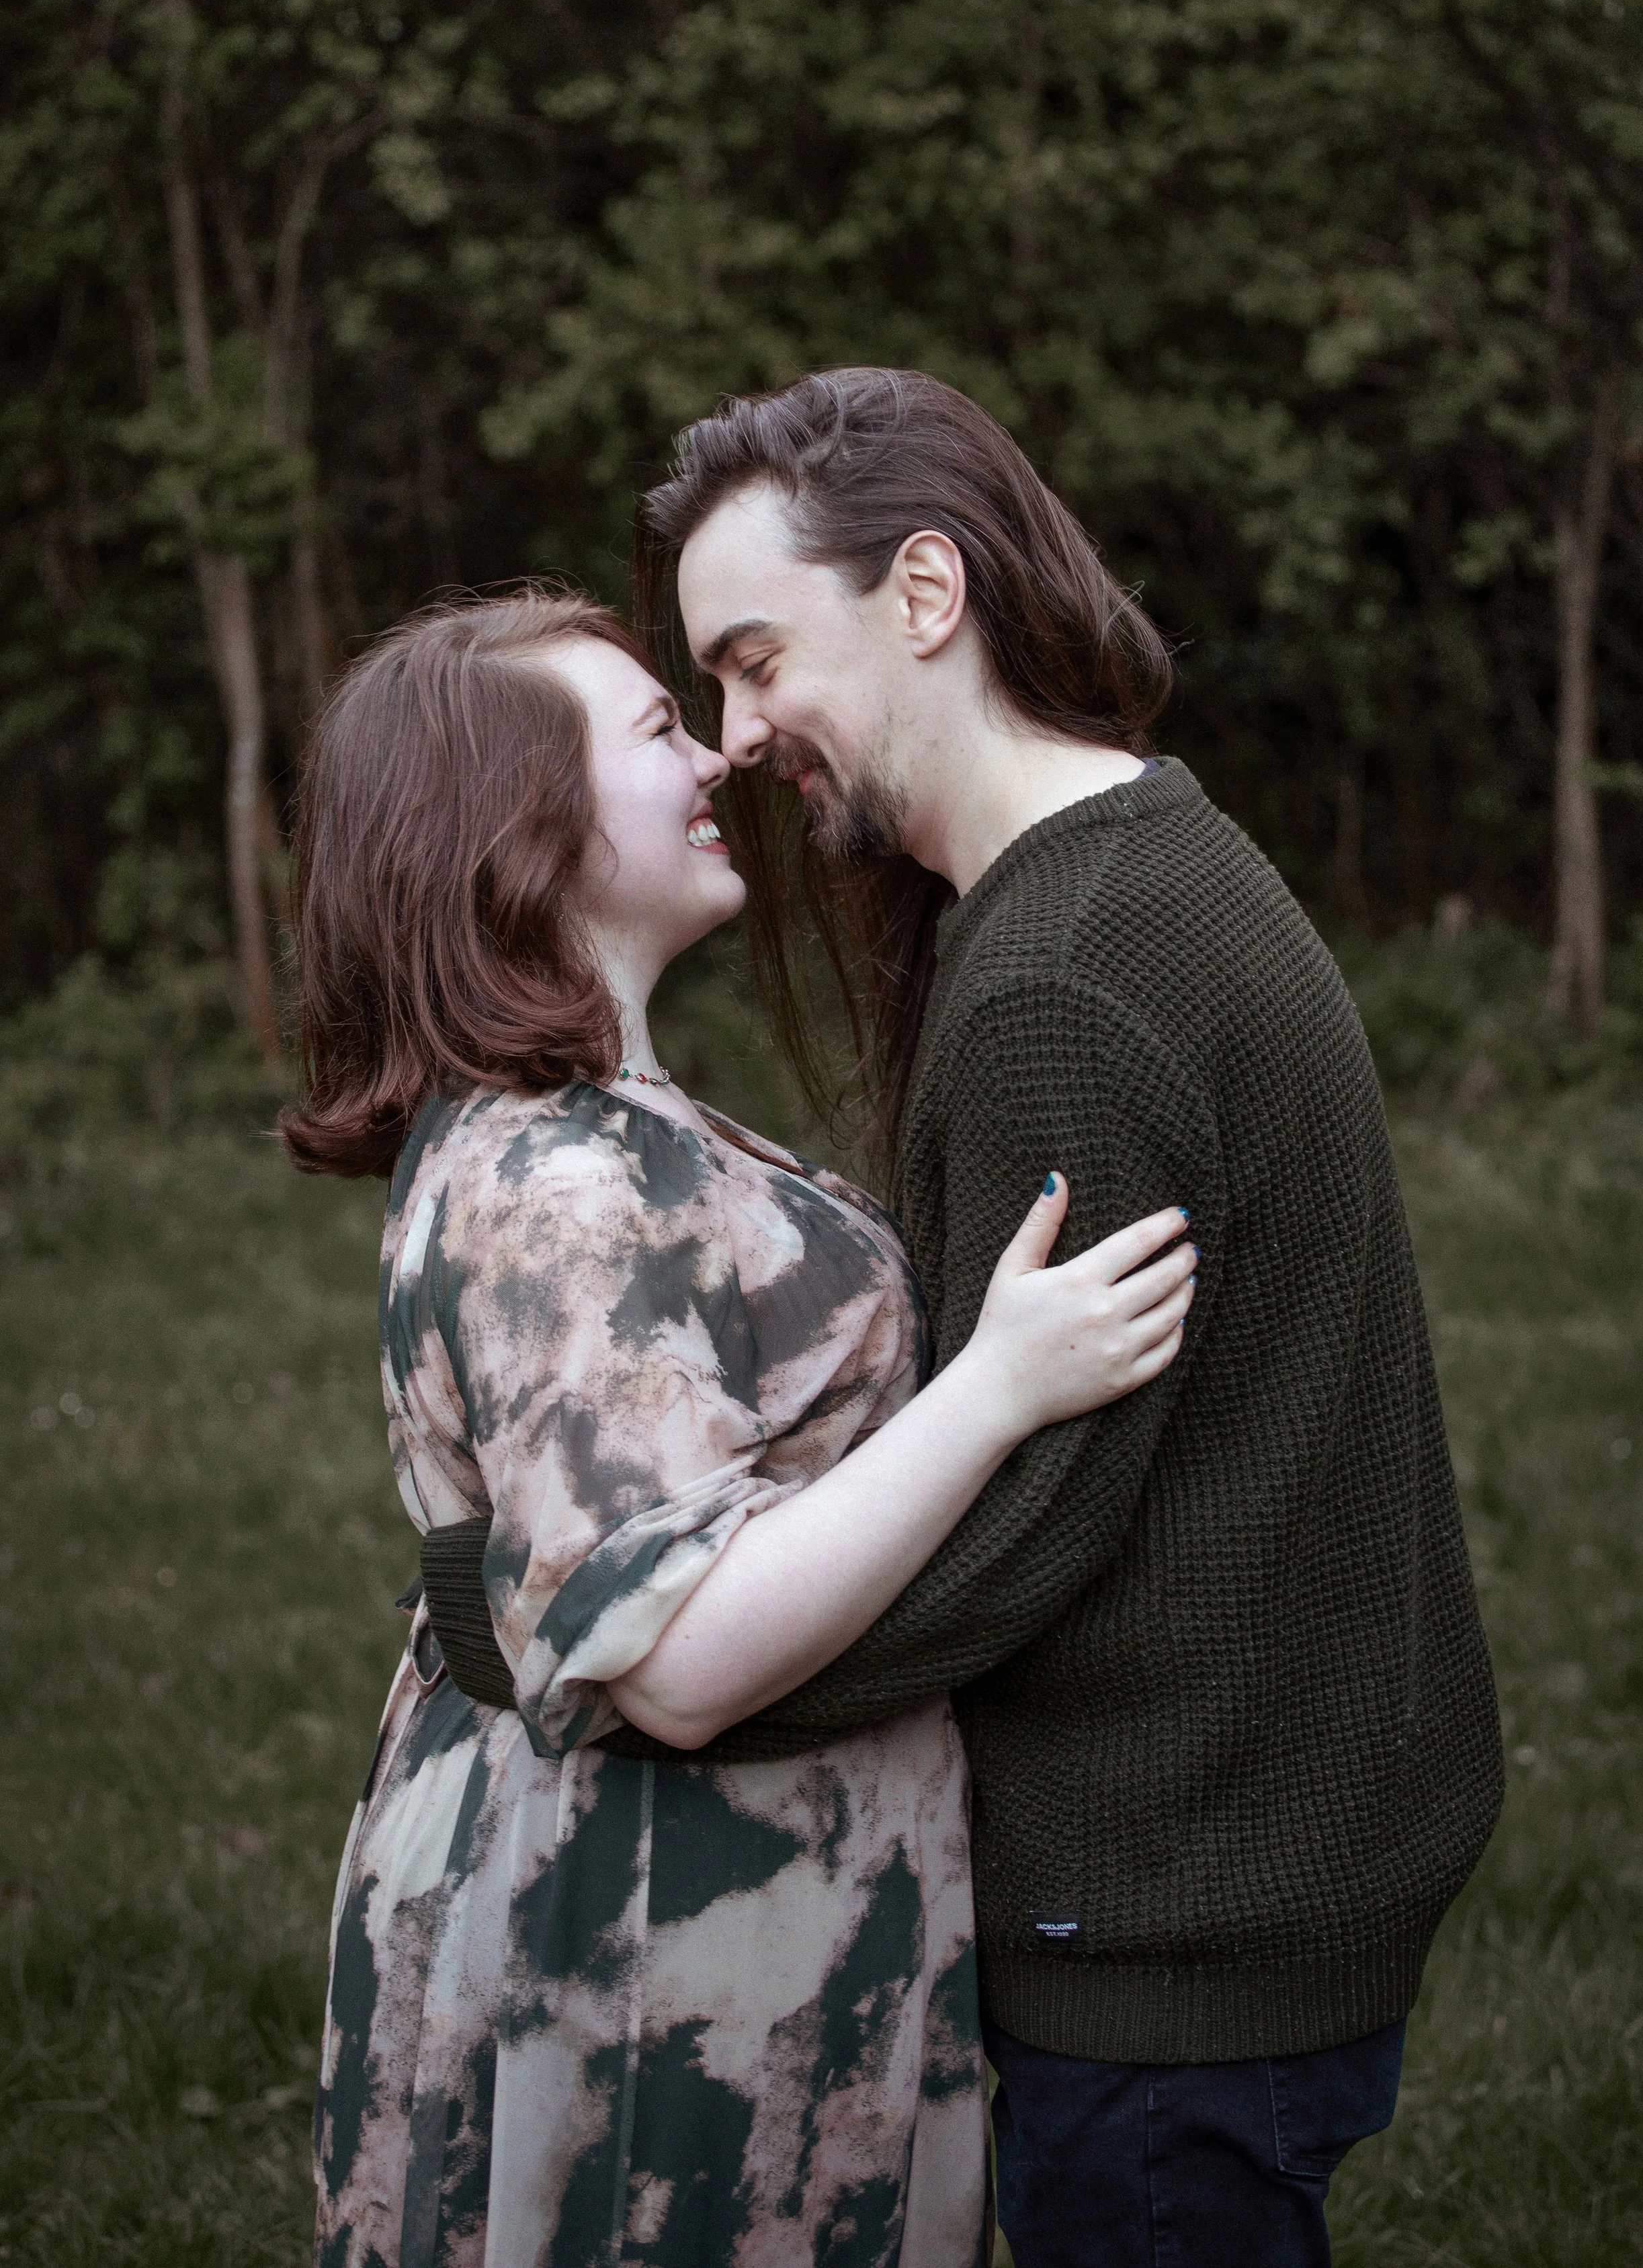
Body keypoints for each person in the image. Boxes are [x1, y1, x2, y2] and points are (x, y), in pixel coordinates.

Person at [630, 367, 1507, 2268]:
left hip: (1174, 1928)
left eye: (758, 655)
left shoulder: (1064, 987)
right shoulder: (1131, 863)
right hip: (1249, 1863)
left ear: (925, 593)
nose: (735, 731)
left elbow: (1011, 1537)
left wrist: (632, 1650)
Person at [280, 588, 1195, 2268]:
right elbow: (676, 1654)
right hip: (659, 1940)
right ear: (519, 827)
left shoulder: (594, 1129)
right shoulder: (559, 1187)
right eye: (653, 730)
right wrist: (997, 1386)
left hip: (702, 1894)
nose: (717, 754)